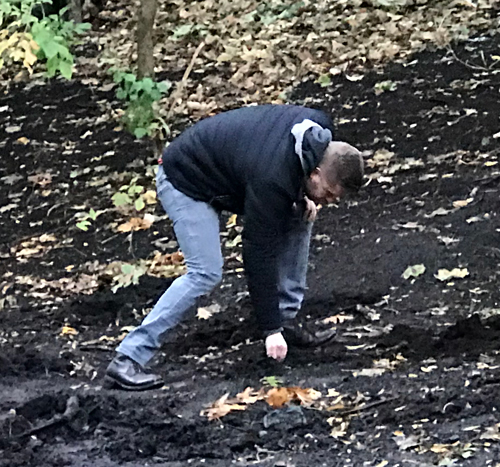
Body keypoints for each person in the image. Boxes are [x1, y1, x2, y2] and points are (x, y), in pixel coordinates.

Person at [104, 104, 364, 390]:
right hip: (185, 179)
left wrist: (309, 196)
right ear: (314, 173)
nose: (329, 201)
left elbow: (297, 176)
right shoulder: (272, 179)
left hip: (234, 171)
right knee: (205, 272)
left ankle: (286, 318)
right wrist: (269, 329)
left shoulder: (321, 131)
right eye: (327, 193)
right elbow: (257, 254)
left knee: (301, 214)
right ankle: (128, 357)